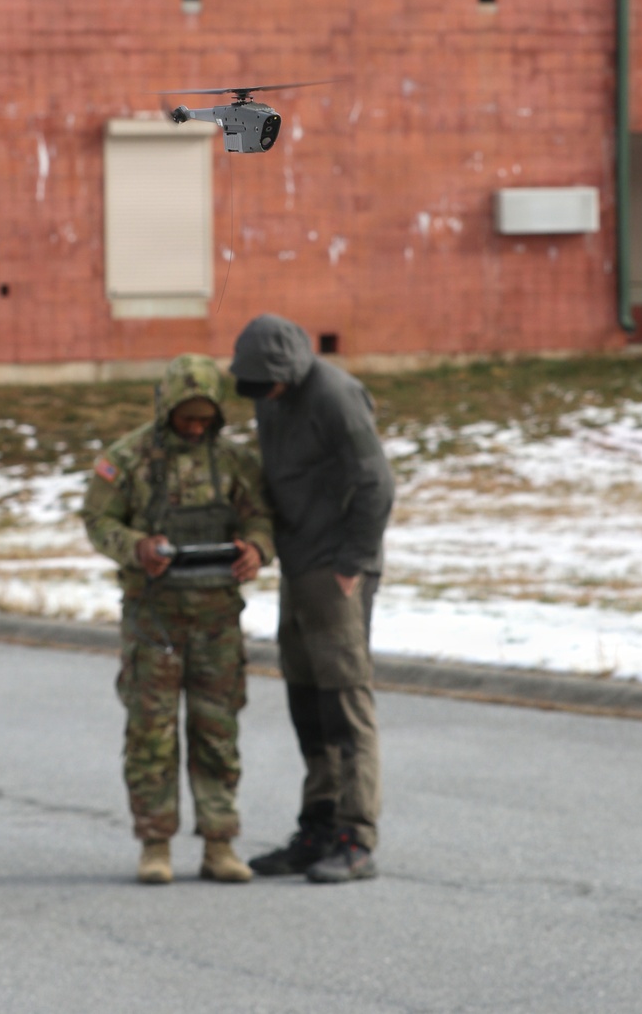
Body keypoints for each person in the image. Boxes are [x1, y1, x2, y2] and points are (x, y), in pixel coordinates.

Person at [80, 353, 274, 885]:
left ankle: (219, 843)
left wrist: (257, 548)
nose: (195, 427)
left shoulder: (233, 463)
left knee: (218, 733)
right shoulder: (129, 460)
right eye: (186, 418)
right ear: (166, 410)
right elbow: (97, 518)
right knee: (152, 735)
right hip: (154, 622)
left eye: (203, 418)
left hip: (217, 621)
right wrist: (136, 547)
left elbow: (261, 514)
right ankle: (155, 843)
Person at [230, 314, 394, 884]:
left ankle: (356, 838)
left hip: (337, 570)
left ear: (290, 369)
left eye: (268, 383)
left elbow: (376, 481)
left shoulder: (335, 395)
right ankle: (319, 826)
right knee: (308, 701)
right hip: (299, 567)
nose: (262, 396)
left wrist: (352, 563)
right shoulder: (269, 396)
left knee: (345, 702)